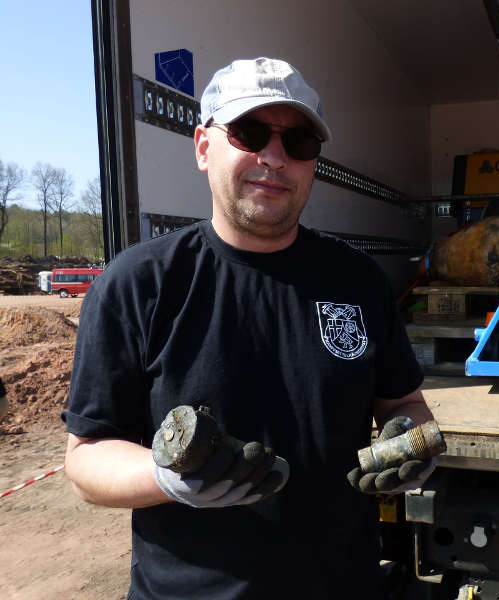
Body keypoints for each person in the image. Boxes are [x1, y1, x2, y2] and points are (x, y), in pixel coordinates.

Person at [63, 57, 435, 600]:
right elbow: (87, 457)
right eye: (250, 132)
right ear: (202, 146)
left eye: (299, 142)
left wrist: (413, 443)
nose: (275, 157)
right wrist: (168, 478)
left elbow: (404, 404)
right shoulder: (138, 284)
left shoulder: (358, 280)